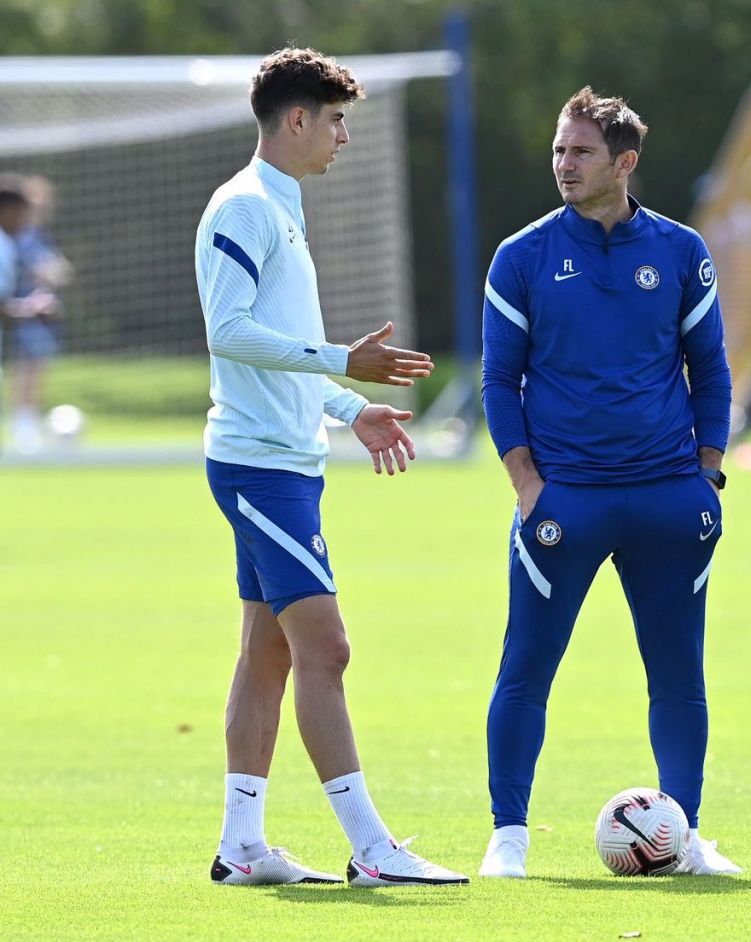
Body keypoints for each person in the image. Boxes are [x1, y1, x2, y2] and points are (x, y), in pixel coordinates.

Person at [194, 47, 467, 887]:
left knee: (268, 652)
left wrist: (351, 409)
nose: (345, 137)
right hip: (261, 471)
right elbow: (228, 333)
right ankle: (373, 850)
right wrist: (343, 362)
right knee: (328, 649)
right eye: (337, 120)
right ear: (298, 119)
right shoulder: (242, 208)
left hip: (281, 462)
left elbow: (275, 352)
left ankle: (242, 846)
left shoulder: (281, 206)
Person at [479, 87, 740, 878]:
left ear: (623, 163)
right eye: (560, 149)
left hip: (669, 500)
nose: (564, 163)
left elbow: (712, 370)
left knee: (678, 675)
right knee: (526, 667)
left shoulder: (681, 250)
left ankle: (685, 838)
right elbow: (499, 382)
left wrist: (707, 472)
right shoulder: (520, 257)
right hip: (567, 502)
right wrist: (528, 487)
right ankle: (509, 837)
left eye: (581, 151)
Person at [9, 176, 73, 453]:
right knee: (26, 367)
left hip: (35, 314)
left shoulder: (37, 234)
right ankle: (22, 426)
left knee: (36, 366)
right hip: (18, 311)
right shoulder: (18, 234)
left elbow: (58, 268)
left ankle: (27, 423)